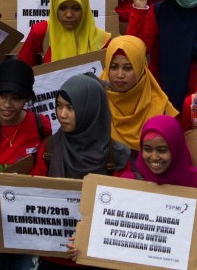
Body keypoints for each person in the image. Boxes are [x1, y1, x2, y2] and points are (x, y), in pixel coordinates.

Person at [30, 73, 131, 269]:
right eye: (59, 105)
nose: (62, 114)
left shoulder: (115, 155)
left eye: (71, 107)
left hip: (96, 259)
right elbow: (35, 195)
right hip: (54, 258)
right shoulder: (50, 148)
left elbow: (120, 213)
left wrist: (87, 239)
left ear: (90, 109)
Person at [100, 36, 178, 151]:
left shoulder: (162, 108)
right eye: (113, 67)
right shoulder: (96, 101)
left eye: (128, 68)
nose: (120, 75)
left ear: (141, 68)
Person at [19, 0, 112, 66]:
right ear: (55, 6)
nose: (69, 15)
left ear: (85, 8)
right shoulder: (41, 32)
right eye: (62, 8)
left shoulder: (102, 41)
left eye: (76, 9)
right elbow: (21, 70)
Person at [118, 114, 197, 188]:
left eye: (162, 150)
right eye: (147, 149)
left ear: (177, 150)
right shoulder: (129, 182)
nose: (154, 157)